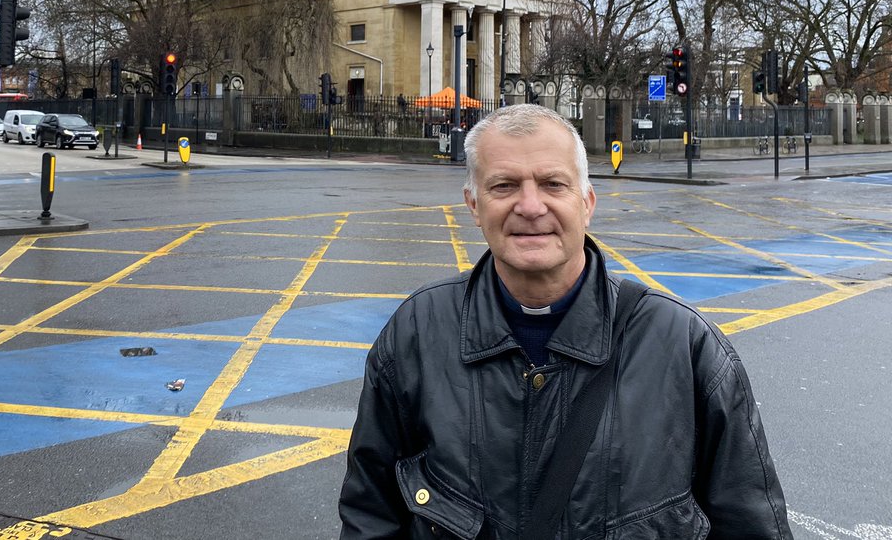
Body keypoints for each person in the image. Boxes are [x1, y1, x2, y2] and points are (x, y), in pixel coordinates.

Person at [338, 104, 790, 538]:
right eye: (504, 186)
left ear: (587, 203)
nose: (530, 206)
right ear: (473, 205)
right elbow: (371, 514)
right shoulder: (416, 333)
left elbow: (749, 522)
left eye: (553, 184)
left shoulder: (686, 345)